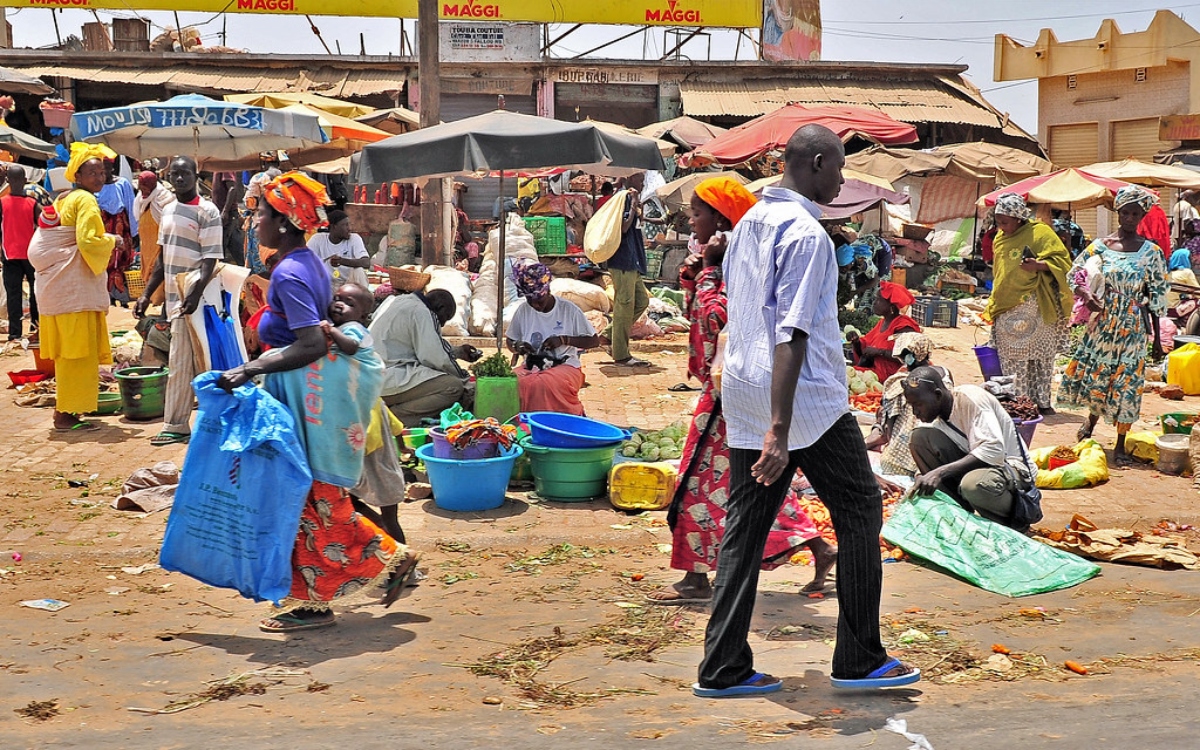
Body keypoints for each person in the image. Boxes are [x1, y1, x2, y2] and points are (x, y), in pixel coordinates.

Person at [694, 124, 918, 699]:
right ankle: (860, 657)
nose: (843, 181)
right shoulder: (805, 234)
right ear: (816, 162)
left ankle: (722, 666)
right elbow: (790, 333)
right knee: (861, 508)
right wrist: (778, 429)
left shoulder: (749, 224)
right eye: (840, 169)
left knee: (745, 526)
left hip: (745, 388)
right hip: (802, 401)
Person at [216, 171, 417, 633]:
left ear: (285, 222)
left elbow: (309, 343)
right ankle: (328, 587)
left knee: (314, 499)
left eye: (262, 213)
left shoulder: (289, 273)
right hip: (309, 396)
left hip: (303, 398)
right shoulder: (308, 263)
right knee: (312, 498)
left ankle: (342, 585)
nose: (255, 221)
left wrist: (249, 368)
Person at [646, 176, 836, 607]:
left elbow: (717, 323)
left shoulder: (739, 262)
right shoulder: (724, 258)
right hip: (722, 392)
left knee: (710, 484)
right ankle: (810, 548)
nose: (691, 222)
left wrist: (710, 270)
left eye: (697, 214)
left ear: (720, 219)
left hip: (732, 394)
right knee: (721, 485)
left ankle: (705, 575)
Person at [1058, 186, 1169, 465]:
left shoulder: (1152, 252)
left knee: (1127, 383)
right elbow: (1075, 275)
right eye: (1125, 212)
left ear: (1142, 215)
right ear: (1117, 213)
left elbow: (1156, 294)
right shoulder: (1100, 247)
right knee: (1100, 376)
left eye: (1135, 213)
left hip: (1133, 327)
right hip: (1104, 324)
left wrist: (1155, 337)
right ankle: (1090, 425)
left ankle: (1120, 445)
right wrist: (1087, 296)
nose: (1130, 218)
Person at [27, 143, 121, 432]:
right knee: (77, 354)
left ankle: (70, 410)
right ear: (77, 175)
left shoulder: (66, 198)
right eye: (92, 172)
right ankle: (66, 414)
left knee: (70, 353)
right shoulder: (86, 201)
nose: (99, 178)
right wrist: (113, 241)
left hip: (59, 289)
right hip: (73, 291)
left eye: (102, 172)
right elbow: (89, 240)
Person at [134, 156, 223, 447]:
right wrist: (147, 294)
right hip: (173, 299)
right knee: (188, 361)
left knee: (183, 361)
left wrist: (195, 293)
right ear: (168, 177)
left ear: (197, 176)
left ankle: (176, 424)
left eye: (185, 173)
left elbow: (210, 258)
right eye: (175, 174)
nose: (180, 179)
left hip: (195, 298)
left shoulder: (207, 211)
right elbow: (162, 257)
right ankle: (196, 422)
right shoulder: (168, 209)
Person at [903, 367, 1039, 530]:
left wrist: (939, 473)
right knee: (919, 438)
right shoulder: (934, 419)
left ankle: (1010, 526)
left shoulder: (970, 398)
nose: (915, 411)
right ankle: (959, 513)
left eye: (918, 404)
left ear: (938, 395)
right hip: (981, 468)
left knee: (973, 485)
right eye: (911, 405)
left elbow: (994, 450)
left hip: (1012, 470)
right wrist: (922, 476)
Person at [984, 193, 1073, 416]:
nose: (1001, 227)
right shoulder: (1000, 238)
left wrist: (1039, 265)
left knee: (1040, 356)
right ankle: (1018, 403)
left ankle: (1042, 401)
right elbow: (1001, 271)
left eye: (1005, 222)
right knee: (1013, 357)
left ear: (1019, 218)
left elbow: (1064, 262)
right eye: (998, 221)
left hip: (1038, 304)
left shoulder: (1040, 233)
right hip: (1008, 305)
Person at [371, 288, 481, 425]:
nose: (442, 324)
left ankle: (386, 416)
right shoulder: (422, 312)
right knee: (453, 387)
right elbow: (436, 358)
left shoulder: (396, 301)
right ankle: (391, 420)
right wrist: (464, 379)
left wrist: (457, 352)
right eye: (444, 318)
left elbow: (426, 344)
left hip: (370, 376)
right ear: (439, 308)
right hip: (388, 378)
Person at [506, 261, 599, 416]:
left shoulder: (568, 310)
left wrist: (563, 340)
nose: (535, 305)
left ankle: (558, 421)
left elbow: (594, 341)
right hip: (532, 366)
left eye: (539, 300)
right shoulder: (523, 310)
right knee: (510, 382)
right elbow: (510, 340)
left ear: (548, 290)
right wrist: (518, 346)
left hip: (567, 366)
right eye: (530, 300)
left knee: (543, 383)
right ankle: (522, 423)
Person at [865, 332, 954, 477]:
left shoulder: (898, 382)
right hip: (934, 453)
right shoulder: (944, 373)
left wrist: (889, 441)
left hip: (901, 459)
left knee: (890, 458)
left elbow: (889, 426)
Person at [604, 187, 651, 367]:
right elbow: (622, 228)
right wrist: (632, 206)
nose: (642, 181)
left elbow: (635, 226)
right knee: (624, 306)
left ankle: (607, 335)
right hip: (622, 260)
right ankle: (621, 355)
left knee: (641, 301)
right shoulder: (624, 199)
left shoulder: (633, 199)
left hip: (633, 260)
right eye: (639, 178)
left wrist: (638, 209)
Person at [846, 281, 921, 382]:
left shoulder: (904, 326)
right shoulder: (882, 323)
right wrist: (856, 341)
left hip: (893, 377)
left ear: (892, 308)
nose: (875, 302)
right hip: (874, 373)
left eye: (879, 300)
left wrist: (879, 352)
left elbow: (909, 358)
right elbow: (864, 349)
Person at [2, 166, 43, 341]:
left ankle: (16, 333)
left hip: (12, 255)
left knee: (15, 294)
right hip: (27, 256)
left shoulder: (3, 202)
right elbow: (44, 226)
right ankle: (35, 327)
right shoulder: (33, 204)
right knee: (33, 292)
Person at [96, 155, 137, 306]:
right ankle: (108, 295)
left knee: (121, 260)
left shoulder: (122, 183)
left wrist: (134, 231)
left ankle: (120, 294)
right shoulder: (95, 185)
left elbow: (131, 205)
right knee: (105, 260)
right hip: (103, 227)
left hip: (120, 226)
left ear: (112, 168)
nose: (104, 172)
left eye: (106, 168)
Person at [131, 171, 175, 308]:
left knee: (159, 268)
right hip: (147, 243)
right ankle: (153, 299)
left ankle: (160, 301)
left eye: (145, 187)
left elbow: (169, 220)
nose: (142, 190)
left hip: (160, 242)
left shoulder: (164, 198)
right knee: (149, 271)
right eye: (140, 187)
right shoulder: (140, 198)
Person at [309, 209, 370, 292]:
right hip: (327, 285)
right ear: (334, 227)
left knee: (358, 270)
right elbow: (305, 261)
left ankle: (363, 301)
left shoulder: (354, 238)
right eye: (345, 225)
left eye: (349, 224)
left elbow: (366, 263)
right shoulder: (318, 239)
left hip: (349, 285)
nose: (350, 228)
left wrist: (341, 261)